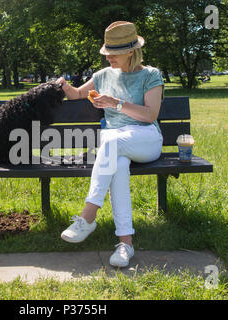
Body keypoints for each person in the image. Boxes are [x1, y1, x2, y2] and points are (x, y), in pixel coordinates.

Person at [56, 21, 164, 268]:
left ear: (131, 51)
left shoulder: (150, 75)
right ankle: (125, 244)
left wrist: (116, 103)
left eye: (114, 54)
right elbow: (76, 94)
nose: (109, 59)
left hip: (145, 138)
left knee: (111, 142)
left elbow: (150, 115)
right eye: (107, 53)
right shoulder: (102, 76)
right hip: (114, 145)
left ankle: (88, 217)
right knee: (118, 167)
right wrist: (63, 85)